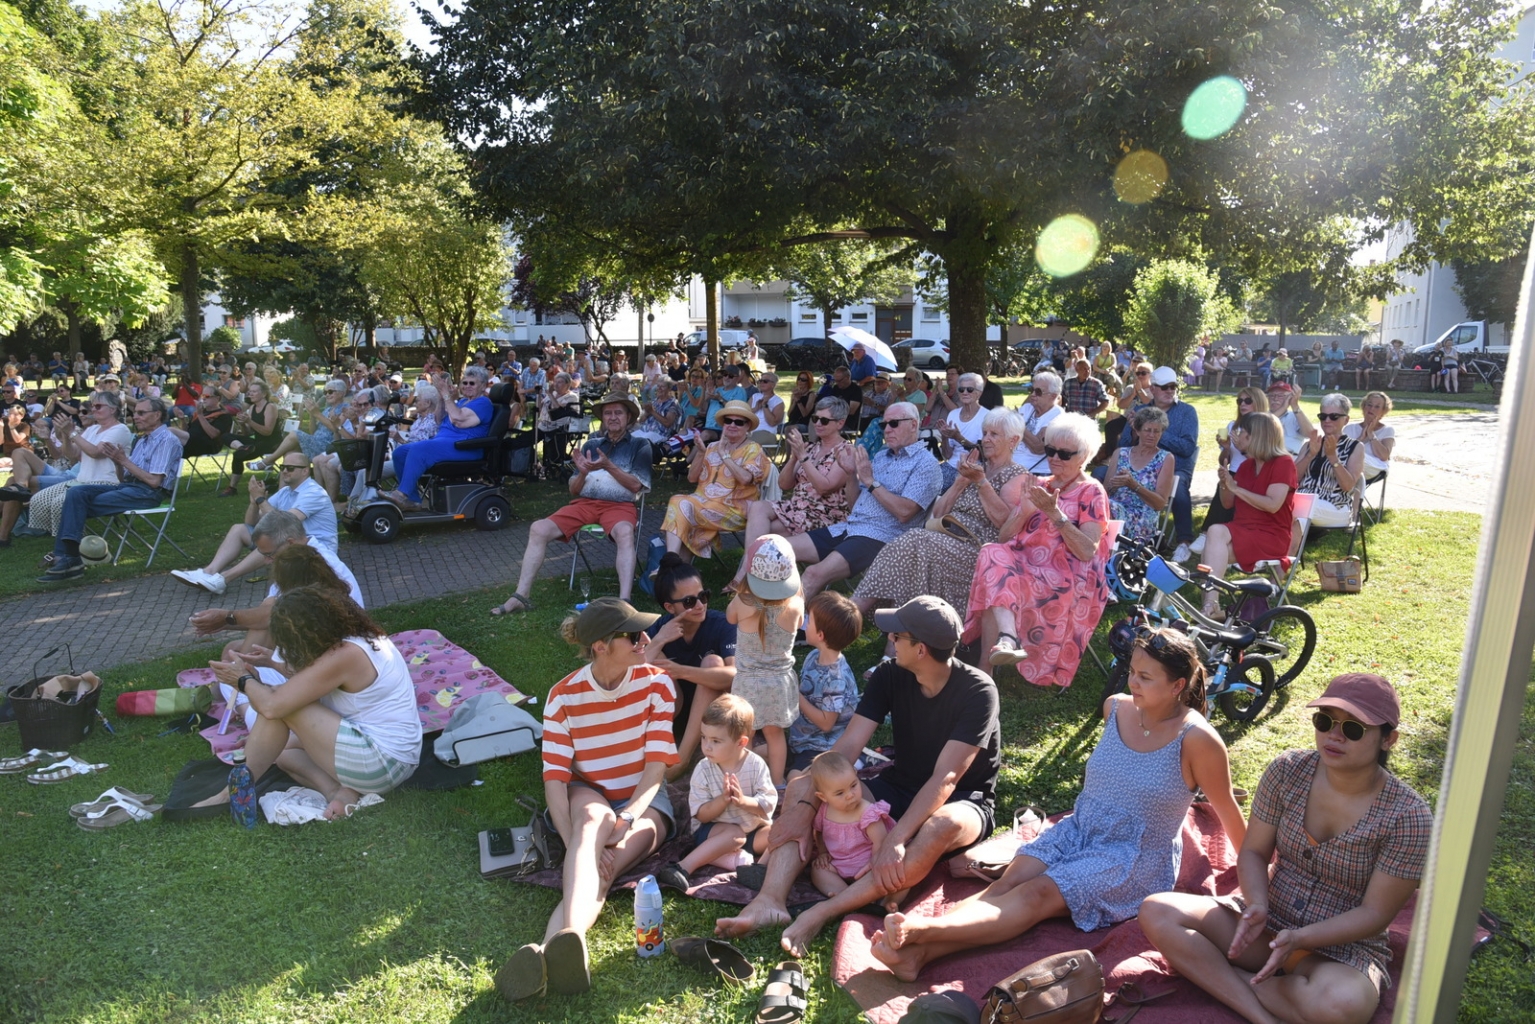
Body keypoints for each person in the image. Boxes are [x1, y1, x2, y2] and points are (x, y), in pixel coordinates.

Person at [869, 627, 1247, 982]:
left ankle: (924, 931)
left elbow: (1229, 812)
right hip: (1079, 828)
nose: (1132, 682)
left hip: (1132, 857)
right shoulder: (1115, 708)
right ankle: (919, 955)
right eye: (1132, 671)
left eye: (1146, 677)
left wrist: (1256, 888)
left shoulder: (1197, 740)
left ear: (1178, 685)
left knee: (1037, 894)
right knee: (1013, 878)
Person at [717, 595, 1000, 958]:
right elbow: (847, 748)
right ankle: (769, 901)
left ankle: (821, 912)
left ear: (921, 649)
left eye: (897, 636)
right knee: (808, 781)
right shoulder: (889, 675)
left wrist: (895, 839)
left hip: (964, 799)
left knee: (939, 825)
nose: (890, 641)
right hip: (899, 785)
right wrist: (803, 801)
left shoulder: (978, 691)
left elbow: (946, 779)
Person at [1140, 673, 1429, 1024]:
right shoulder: (1288, 771)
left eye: (1353, 729)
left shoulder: (1408, 816)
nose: (1334, 736)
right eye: (1325, 722)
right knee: (1158, 911)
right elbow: (1253, 852)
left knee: (1342, 1006)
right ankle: (1263, 1013)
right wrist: (1257, 904)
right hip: (1266, 924)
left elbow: (1375, 914)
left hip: (1341, 950)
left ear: (1389, 739)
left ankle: (1218, 978)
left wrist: (1301, 938)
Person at [495, 598, 677, 1001]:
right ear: (601, 645)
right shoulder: (563, 697)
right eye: (634, 635)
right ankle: (568, 944)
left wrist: (628, 815)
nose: (645, 640)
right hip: (588, 794)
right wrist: (577, 841)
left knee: (607, 868)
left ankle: (548, 951)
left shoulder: (658, 685)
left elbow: (655, 770)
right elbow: (556, 782)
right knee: (592, 829)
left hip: (645, 801)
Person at [204, 585, 421, 821]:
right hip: (392, 758)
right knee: (282, 750)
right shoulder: (355, 640)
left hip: (383, 764)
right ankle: (337, 792)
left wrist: (243, 680)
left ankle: (231, 795)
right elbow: (313, 681)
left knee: (283, 708)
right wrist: (271, 666)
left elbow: (273, 706)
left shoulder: (347, 654)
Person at [968, 412, 1109, 686]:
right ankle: (1006, 639)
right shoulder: (1038, 484)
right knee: (990, 552)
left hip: (1064, 575)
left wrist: (1054, 514)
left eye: (1065, 454)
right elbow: (1004, 536)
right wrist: (1023, 513)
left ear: (1084, 456)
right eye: (1050, 450)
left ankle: (987, 666)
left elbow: (1087, 550)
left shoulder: (1091, 491)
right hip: (1024, 564)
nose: (1055, 458)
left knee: (996, 583)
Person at [853, 407, 1027, 624]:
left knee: (915, 541)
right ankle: (893, 636)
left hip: (978, 550)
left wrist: (981, 483)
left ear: (1013, 440)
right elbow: (938, 513)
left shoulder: (1016, 476)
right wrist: (960, 483)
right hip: (945, 537)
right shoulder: (975, 467)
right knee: (914, 552)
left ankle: (851, 614)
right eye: (985, 433)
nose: (986, 439)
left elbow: (1005, 526)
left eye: (994, 434)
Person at [493, 393, 652, 613]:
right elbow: (573, 490)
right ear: (603, 418)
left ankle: (624, 602)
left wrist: (608, 466)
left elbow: (636, 486)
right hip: (585, 503)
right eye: (608, 413)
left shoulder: (640, 445)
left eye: (618, 412)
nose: (613, 417)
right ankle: (521, 596)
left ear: (629, 417)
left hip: (619, 505)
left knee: (625, 532)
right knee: (538, 528)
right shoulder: (592, 443)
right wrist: (583, 474)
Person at [784, 402, 943, 596]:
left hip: (881, 536)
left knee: (813, 574)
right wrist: (851, 475)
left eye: (894, 424)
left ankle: (785, 625)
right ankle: (758, 612)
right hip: (849, 527)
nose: (887, 430)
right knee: (776, 550)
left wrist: (869, 480)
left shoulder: (926, 464)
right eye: (884, 425)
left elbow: (904, 513)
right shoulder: (882, 456)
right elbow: (854, 505)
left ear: (913, 425)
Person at [37, 396, 182, 582]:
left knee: (75, 504)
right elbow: (123, 478)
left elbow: (154, 482)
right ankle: (70, 558)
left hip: (148, 493)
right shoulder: (142, 439)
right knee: (75, 493)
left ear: (157, 415)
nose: (135, 416)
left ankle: (67, 558)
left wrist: (124, 461)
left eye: (141, 413)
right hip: (128, 487)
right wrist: (119, 463)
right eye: (135, 412)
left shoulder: (166, 440)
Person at [187, 509, 363, 660]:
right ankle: (238, 683)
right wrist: (223, 622)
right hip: (315, 638)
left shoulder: (313, 565)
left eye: (270, 554)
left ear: (290, 543)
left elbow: (268, 617)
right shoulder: (295, 560)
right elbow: (267, 611)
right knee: (232, 649)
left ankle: (239, 684)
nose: (266, 561)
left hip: (337, 648)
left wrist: (226, 617)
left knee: (263, 631)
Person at [655, 694, 776, 892]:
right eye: (704, 737)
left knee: (779, 833)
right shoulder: (704, 768)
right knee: (735, 835)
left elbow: (768, 802)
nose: (707, 746)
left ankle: (758, 869)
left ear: (741, 742)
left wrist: (743, 802)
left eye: (716, 741)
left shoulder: (755, 765)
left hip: (752, 830)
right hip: (713, 831)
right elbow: (701, 814)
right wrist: (723, 800)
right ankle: (682, 868)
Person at [172, 454, 337, 595]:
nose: (285, 471)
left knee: (273, 538)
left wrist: (260, 499)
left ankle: (223, 579)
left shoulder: (314, 493)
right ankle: (208, 572)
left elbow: (285, 523)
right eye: (282, 467)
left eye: (290, 467)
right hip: (292, 542)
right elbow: (251, 522)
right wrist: (253, 502)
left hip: (317, 549)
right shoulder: (286, 492)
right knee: (239, 529)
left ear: (305, 471)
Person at [1195, 412, 1297, 616]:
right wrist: (1225, 484)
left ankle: (1210, 606)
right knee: (1213, 541)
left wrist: (1236, 488)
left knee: (1213, 538)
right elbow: (1227, 503)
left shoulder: (1283, 463)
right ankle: (1213, 607)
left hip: (1270, 535)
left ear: (1255, 437)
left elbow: (1273, 505)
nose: (1236, 435)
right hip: (1244, 530)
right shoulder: (1246, 465)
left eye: (1241, 432)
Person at [647, 554, 738, 776]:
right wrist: (658, 639)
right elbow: (628, 672)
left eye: (703, 596)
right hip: (674, 714)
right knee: (650, 650)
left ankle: (683, 757)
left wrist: (682, 672)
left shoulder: (721, 624)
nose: (700, 605)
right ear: (670, 607)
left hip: (715, 717)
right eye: (689, 601)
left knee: (712, 662)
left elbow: (735, 674)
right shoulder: (661, 628)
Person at [1, 391, 131, 544]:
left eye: (98, 406)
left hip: (105, 483)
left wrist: (72, 432)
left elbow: (95, 452)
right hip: (82, 481)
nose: (93, 409)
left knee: (59, 503)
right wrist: (65, 434)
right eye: (93, 406)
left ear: (113, 409)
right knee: (40, 500)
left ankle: (69, 547)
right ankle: (61, 541)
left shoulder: (120, 429)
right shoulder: (92, 430)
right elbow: (72, 454)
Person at [726, 534, 806, 785]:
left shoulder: (741, 602)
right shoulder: (796, 605)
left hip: (748, 684)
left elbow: (729, 618)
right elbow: (801, 624)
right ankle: (778, 781)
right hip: (779, 684)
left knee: (744, 737)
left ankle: (745, 781)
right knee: (775, 736)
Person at [660, 400, 770, 560]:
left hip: (734, 509)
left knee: (680, 506)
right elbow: (692, 478)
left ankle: (670, 563)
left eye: (738, 422)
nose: (732, 425)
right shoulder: (712, 446)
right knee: (682, 509)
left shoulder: (753, 449)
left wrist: (724, 454)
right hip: (703, 502)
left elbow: (746, 478)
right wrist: (699, 452)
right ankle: (677, 570)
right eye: (728, 421)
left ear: (747, 427)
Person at [742, 397, 853, 547]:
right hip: (796, 509)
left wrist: (802, 457)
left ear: (840, 423)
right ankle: (749, 567)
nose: (817, 424)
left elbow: (824, 487)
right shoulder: (811, 448)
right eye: (815, 418)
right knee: (758, 507)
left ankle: (747, 568)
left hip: (823, 515)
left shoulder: (846, 451)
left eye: (824, 421)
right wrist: (794, 459)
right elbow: (783, 484)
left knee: (762, 533)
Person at [382, 366, 493, 510]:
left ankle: (401, 494)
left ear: (483, 386)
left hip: (465, 447)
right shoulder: (461, 402)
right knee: (400, 452)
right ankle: (413, 500)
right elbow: (439, 419)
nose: (467, 386)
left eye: (472, 383)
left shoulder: (483, 403)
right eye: (465, 383)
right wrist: (442, 397)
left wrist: (446, 394)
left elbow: (458, 419)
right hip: (445, 443)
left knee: (419, 448)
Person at [1117, 366, 1198, 561]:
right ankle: (1103, 527)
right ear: (1152, 389)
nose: (1170, 391)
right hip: (1139, 465)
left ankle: (1184, 542)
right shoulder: (1138, 411)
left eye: (1173, 387)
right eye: (1165, 387)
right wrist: (1135, 432)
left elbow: (1187, 448)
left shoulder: (1187, 412)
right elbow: (1122, 447)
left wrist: (1153, 432)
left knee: (1178, 488)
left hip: (1175, 466)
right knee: (1102, 474)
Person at [787, 591, 863, 772]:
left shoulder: (835, 678)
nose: (804, 622)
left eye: (809, 620)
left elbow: (826, 724)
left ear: (820, 635)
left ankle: (847, 767)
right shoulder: (814, 656)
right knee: (760, 751)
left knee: (795, 779)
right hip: (802, 738)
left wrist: (795, 694)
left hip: (821, 747)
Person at [808, 750, 896, 903]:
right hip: (840, 863)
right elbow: (819, 832)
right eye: (840, 793)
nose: (850, 795)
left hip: (867, 864)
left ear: (857, 776)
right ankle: (845, 896)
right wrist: (822, 853)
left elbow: (880, 843)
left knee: (896, 872)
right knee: (818, 871)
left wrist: (873, 865)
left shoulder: (868, 812)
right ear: (823, 797)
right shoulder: (823, 811)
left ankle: (874, 898)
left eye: (853, 785)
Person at [1201, 386, 1269, 533]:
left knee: (1231, 482)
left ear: (1258, 402)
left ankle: (1226, 532)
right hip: (1233, 471)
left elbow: (1264, 460)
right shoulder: (1233, 426)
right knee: (1225, 480)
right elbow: (1223, 461)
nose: (1242, 404)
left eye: (1248, 401)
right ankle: (1210, 531)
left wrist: (1243, 448)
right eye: (1239, 401)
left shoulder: (1266, 427)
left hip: (1255, 475)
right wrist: (1226, 448)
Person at [1105, 405, 1176, 546]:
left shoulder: (1165, 458)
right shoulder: (1120, 453)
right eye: (1147, 430)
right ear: (1137, 430)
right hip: (1113, 508)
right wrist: (1115, 483)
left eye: (1157, 431)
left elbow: (1160, 504)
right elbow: (1104, 492)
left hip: (1142, 517)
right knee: (1096, 502)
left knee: (1104, 508)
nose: (1152, 435)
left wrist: (1133, 485)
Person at [1295, 393, 1365, 532]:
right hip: (1303, 500)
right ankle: (1285, 553)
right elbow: (1293, 479)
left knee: (1298, 510)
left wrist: (1333, 457)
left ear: (1346, 420)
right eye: (1323, 416)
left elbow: (1348, 485)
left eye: (1333, 416)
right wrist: (1310, 455)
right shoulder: (1310, 445)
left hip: (1335, 506)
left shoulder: (1355, 447)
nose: (1327, 420)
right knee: (1291, 513)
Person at [938, 372, 987, 488]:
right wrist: (944, 436)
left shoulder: (987, 417)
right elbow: (947, 455)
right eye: (961, 389)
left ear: (979, 393)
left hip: (973, 469)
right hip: (951, 465)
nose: (965, 392)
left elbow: (983, 455)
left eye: (970, 389)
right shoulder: (953, 414)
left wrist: (958, 438)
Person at [1015, 370, 1064, 473]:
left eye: (1038, 392)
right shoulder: (1027, 408)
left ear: (1053, 396)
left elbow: (1038, 448)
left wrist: (1017, 423)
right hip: (1012, 466)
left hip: (1035, 471)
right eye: (1031, 390)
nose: (1032, 394)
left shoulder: (1057, 415)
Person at [1343, 391, 1394, 483]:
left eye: (1377, 407)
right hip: (1348, 468)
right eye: (1369, 405)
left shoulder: (1387, 430)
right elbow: (1343, 452)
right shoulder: (1349, 429)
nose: (1372, 409)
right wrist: (1361, 438)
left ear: (1383, 411)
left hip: (1375, 467)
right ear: (1363, 407)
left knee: (1353, 460)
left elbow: (1384, 456)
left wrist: (1371, 434)